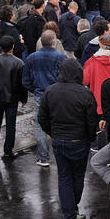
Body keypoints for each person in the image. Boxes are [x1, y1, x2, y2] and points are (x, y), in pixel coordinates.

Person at [38, 57, 99, 219]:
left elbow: (42, 117)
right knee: (78, 175)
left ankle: (69, 212)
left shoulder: (50, 91)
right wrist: (90, 136)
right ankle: (72, 208)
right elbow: (91, 119)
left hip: (59, 139)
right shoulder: (85, 93)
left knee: (64, 176)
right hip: (79, 140)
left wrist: (52, 132)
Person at [22, 29, 64, 168]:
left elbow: (26, 80)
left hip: (40, 94)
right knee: (59, 123)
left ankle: (43, 157)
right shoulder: (60, 58)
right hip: (56, 94)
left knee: (39, 126)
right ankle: (60, 155)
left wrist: (34, 89)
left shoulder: (31, 58)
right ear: (54, 42)